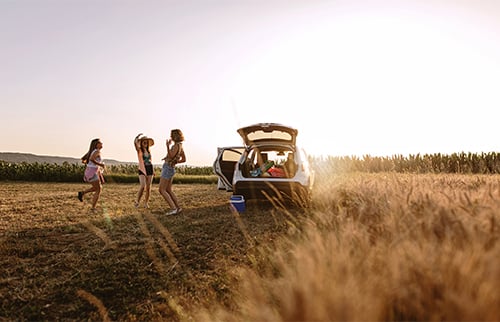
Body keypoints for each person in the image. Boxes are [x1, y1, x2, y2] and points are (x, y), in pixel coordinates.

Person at [159, 129, 186, 215]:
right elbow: (184, 159)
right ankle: (178, 207)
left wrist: (167, 146)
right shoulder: (180, 146)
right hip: (171, 168)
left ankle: (173, 208)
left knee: (161, 190)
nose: (170, 137)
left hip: (167, 168)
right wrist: (174, 161)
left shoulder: (175, 146)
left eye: (171, 135)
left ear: (174, 136)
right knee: (168, 190)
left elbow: (171, 155)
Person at [78, 138, 105, 211]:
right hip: (92, 172)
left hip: (89, 171)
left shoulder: (92, 151)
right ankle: (93, 208)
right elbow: (92, 159)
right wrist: (100, 164)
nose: (102, 144)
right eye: (100, 143)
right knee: (98, 189)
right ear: (97, 145)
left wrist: (89, 165)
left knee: (96, 188)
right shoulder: (96, 152)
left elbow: (83, 159)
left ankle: (82, 193)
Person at [134, 133, 155, 208]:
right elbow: (135, 144)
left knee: (148, 187)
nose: (145, 143)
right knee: (142, 186)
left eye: (146, 142)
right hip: (142, 169)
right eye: (144, 142)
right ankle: (137, 202)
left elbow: (150, 161)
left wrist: (153, 170)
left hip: (150, 168)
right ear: (141, 143)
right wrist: (137, 137)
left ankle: (146, 203)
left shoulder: (149, 151)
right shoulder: (139, 150)